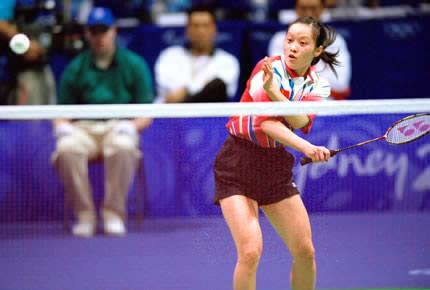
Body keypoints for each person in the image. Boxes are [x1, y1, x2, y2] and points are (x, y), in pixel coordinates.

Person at [214, 16, 336, 290]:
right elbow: (266, 123)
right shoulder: (267, 69)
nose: (292, 47)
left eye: (302, 43)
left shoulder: (317, 86)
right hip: (238, 160)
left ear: (317, 50)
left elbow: (301, 121)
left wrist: (275, 94)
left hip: (275, 167)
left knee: (305, 252)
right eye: (289, 40)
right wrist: (307, 147)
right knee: (250, 251)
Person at [51, 7, 153, 238]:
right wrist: (62, 127)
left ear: (114, 31)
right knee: (66, 149)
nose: (99, 37)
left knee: (123, 146)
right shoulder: (75, 68)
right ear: (87, 34)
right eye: (94, 32)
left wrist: (132, 126)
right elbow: (60, 111)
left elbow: (147, 112)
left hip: (118, 126)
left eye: (103, 31)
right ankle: (85, 216)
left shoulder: (134, 64)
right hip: (83, 129)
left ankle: (113, 215)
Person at [154, 4, 240, 103]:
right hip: (169, 116)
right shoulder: (169, 56)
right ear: (187, 29)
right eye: (195, 26)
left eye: (205, 26)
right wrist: (203, 87)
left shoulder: (228, 61)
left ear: (214, 29)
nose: (201, 31)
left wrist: (185, 90)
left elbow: (217, 92)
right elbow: (170, 95)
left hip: (209, 116)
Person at [268, 0, 351, 100]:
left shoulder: (336, 41)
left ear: (322, 9)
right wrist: (320, 73)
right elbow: (279, 80)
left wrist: (300, 72)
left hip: (326, 106)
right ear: (296, 9)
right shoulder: (280, 39)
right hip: (289, 105)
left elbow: (340, 84)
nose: (308, 14)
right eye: (303, 8)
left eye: (313, 8)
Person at [0, 0, 56, 105]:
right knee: (29, 117)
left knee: (49, 111)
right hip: (20, 70)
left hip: (45, 65)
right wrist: (26, 45)